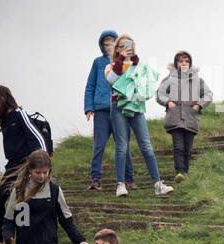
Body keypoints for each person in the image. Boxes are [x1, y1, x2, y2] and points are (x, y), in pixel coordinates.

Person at [0, 86, 50, 244]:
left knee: (15, 202)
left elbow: (38, 138)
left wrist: (40, 163)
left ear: (2, 99)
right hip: (12, 166)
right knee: (5, 201)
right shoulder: (7, 119)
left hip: (24, 165)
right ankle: (1, 243)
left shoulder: (19, 114)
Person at [106, 34, 173, 197]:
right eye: (121, 45)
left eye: (129, 45)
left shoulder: (140, 65)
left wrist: (133, 59)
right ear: (117, 49)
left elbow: (146, 83)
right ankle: (120, 185)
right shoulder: (111, 66)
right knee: (122, 146)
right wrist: (121, 60)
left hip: (136, 106)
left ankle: (158, 184)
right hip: (118, 106)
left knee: (146, 144)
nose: (126, 48)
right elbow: (111, 81)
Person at [84, 30, 133, 191]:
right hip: (102, 111)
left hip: (120, 108)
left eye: (112, 42)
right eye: (105, 43)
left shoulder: (126, 62)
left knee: (123, 143)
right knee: (99, 145)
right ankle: (95, 178)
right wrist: (88, 108)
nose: (108, 46)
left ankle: (129, 178)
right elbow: (90, 85)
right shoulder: (97, 62)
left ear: (118, 45)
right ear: (102, 46)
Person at [155, 50, 213, 183]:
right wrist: (168, 102)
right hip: (174, 118)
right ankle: (179, 172)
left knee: (188, 149)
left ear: (190, 64)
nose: (184, 63)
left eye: (186, 61)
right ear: (176, 64)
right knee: (178, 147)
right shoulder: (169, 79)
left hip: (191, 118)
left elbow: (208, 95)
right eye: (181, 61)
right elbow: (159, 94)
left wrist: (198, 105)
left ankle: (185, 174)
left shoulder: (198, 80)